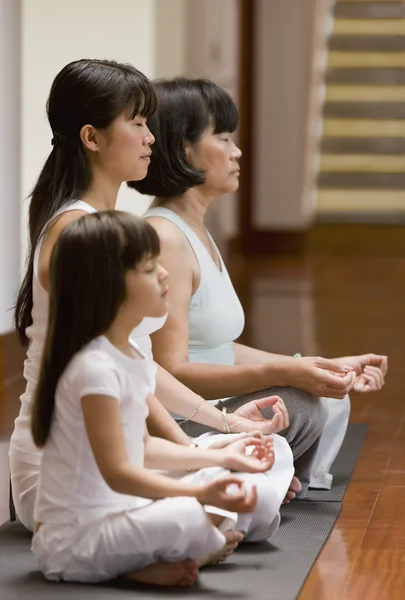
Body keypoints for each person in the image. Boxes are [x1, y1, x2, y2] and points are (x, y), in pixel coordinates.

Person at [9, 59, 294, 534]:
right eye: (137, 124)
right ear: (91, 137)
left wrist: (222, 426)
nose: (150, 138)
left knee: (268, 454)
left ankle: (192, 519)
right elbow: (114, 374)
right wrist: (197, 449)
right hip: (75, 465)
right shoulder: (78, 232)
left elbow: (137, 364)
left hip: (123, 446)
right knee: (250, 495)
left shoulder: (106, 226)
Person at [130, 77, 388, 494]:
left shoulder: (197, 229)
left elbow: (218, 348)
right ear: (184, 149)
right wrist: (289, 371)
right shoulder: (166, 237)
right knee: (301, 402)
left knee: (327, 392)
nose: (237, 152)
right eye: (224, 138)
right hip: (185, 419)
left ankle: (270, 478)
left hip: (213, 408)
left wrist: (318, 365)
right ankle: (250, 477)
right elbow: (170, 369)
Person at [31, 211, 278, 586]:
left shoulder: (128, 353)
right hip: (73, 540)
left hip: (123, 510)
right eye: (149, 269)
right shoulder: (94, 368)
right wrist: (198, 492)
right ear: (109, 286)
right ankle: (180, 551)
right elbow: (119, 472)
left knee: (237, 474)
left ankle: (176, 550)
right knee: (191, 516)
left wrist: (221, 456)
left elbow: (143, 449)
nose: (164, 274)